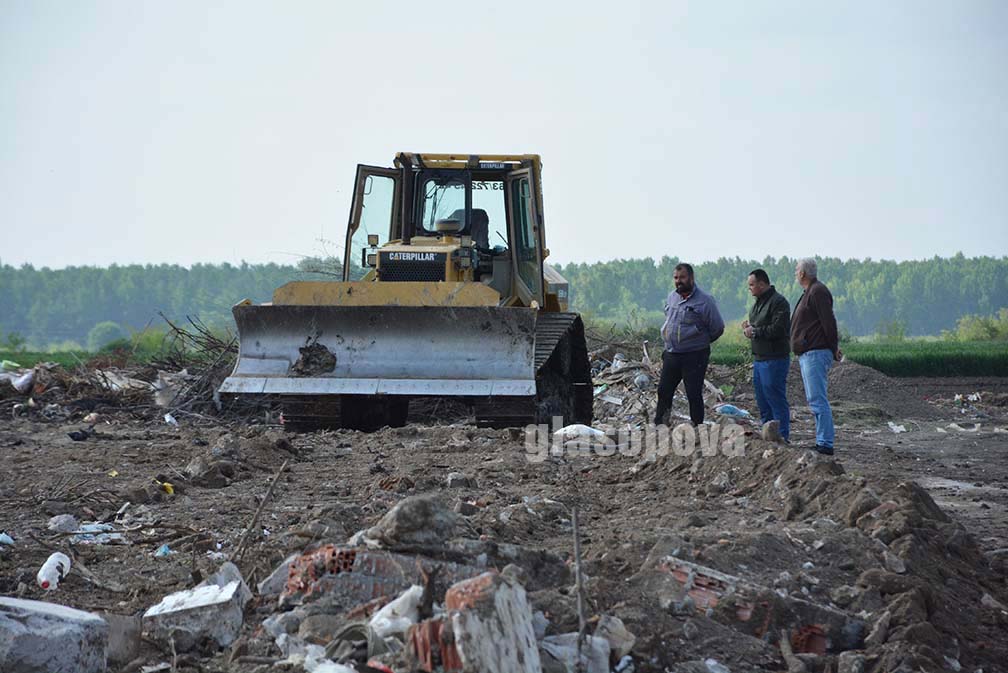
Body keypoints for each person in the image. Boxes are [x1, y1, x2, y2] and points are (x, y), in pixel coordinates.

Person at [654, 263, 725, 426]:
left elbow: (718, 328)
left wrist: (700, 343)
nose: (679, 281)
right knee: (664, 390)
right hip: (672, 353)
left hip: (694, 355)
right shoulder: (672, 297)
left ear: (691, 278)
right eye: (676, 278)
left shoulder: (705, 301)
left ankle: (697, 427)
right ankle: (661, 425)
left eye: (683, 277)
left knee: (693, 393)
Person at [790, 258, 842, 455]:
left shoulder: (817, 291)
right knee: (815, 399)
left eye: (797, 270)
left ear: (803, 273)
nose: (795, 273)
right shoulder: (809, 292)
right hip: (808, 353)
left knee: (817, 399)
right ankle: (822, 440)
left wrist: (833, 346)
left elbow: (829, 322)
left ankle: (825, 443)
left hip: (815, 352)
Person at [741, 269, 791, 442]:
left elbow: (779, 329)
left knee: (775, 398)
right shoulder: (756, 305)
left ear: (762, 284)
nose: (750, 288)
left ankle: (782, 436)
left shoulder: (779, 302)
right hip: (759, 358)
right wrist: (748, 329)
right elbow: (759, 327)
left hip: (775, 359)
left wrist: (754, 331)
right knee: (762, 401)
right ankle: (768, 434)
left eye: (752, 284)